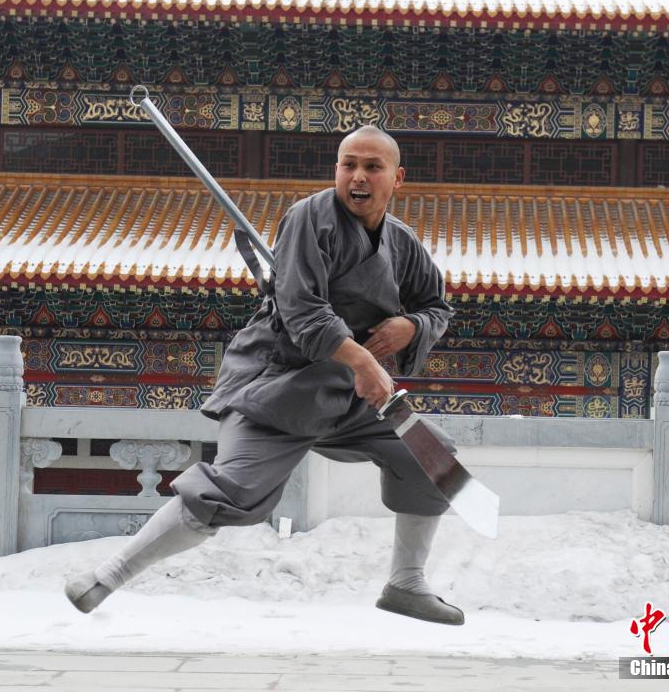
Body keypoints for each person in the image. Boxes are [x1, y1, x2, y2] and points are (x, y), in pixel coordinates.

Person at [65, 125, 463, 625]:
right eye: (349, 165)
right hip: (277, 385)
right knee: (229, 491)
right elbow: (303, 313)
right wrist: (365, 362)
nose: (358, 177)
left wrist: (411, 326)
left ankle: (406, 583)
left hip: (344, 393)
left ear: (397, 178)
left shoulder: (401, 242)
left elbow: (436, 306)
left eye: (372, 167)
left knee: (432, 456)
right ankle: (106, 576)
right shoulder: (309, 218)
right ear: (337, 170)